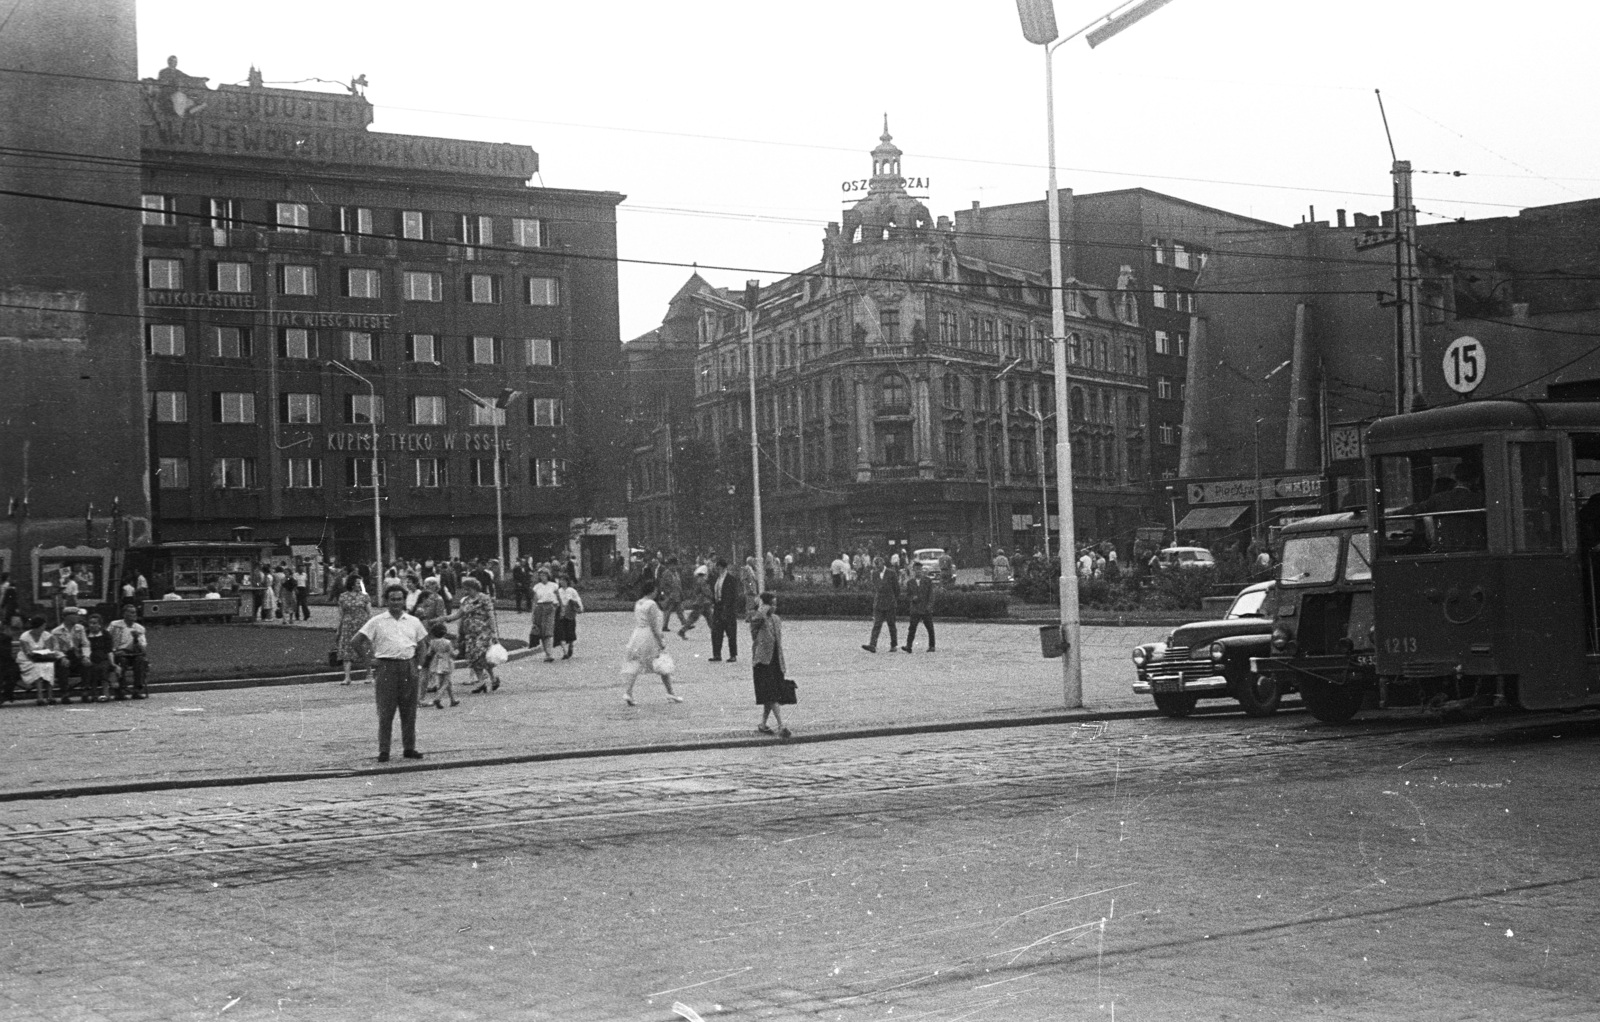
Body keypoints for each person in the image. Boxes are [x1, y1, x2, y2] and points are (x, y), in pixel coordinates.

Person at [353, 585, 428, 763]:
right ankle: (384, 750)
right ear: (387, 601)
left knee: (409, 711)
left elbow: (423, 644)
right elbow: (356, 641)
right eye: (392, 599)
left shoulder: (413, 621)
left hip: (408, 666)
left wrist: (418, 665)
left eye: (399, 599)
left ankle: (409, 748)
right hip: (386, 668)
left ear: (404, 601)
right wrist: (368, 661)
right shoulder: (377, 621)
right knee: (386, 711)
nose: (396, 602)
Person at [620, 593, 682, 706]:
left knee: (636, 662)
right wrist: (660, 640)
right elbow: (654, 625)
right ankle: (670, 692)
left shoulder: (639, 602)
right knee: (661, 661)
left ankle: (628, 692)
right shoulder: (652, 604)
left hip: (638, 634)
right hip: (649, 635)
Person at [747, 591, 792, 739]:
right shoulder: (759, 618)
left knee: (770, 695)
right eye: (771, 604)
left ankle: (763, 724)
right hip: (762, 660)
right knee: (771, 693)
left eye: (775, 604)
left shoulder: (776, 619)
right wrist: (761, 612)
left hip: (775, 660)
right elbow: (752, 627)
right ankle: (781, 725)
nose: (774, 607)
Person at [449, 577, 501, 694]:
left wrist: (493, 632)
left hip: (483, 633)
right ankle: (481, 682)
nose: (466, 591)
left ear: (474, 588)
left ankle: (493, 678)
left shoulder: (484, 598)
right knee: (473, 657)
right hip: (470, 634)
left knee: (482, 657)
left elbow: (491, 615)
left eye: (468, 589)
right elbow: (459, 614)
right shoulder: (466, 600)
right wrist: (446, 619)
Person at [332, 575, 373, 685]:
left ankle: (369, 674)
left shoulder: (365, 597)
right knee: (346, 650)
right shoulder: (343, 597)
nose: (359, 585)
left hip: (362, 626)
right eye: (357, 583)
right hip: (347, 626)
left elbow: (369, 612)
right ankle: (347, 677)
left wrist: (370, 627)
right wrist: (338, 629)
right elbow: (341, 614)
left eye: (360, 583)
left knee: (364, 650)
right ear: (351, 584)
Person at [16, 616, 62, 705]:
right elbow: (27, 652)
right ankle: (40, 697)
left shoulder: (46, 635)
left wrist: (43, 653)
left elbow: (49, 648)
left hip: (43, 658)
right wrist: (38, 653)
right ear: (38, 626)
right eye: (43, 626)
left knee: (49, 666)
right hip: (28, 660)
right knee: (37, 667)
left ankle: (50, 696)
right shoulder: (24, 636)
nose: (44, 628)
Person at [107, 603, 148, 699]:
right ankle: (121, 689)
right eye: (131, 613)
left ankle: (137, 689)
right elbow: (107, 639)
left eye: (135, 613)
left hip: (133, 653)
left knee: (140, 660)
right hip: (118, 652)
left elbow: (143, 648)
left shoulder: (139, 628)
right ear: (124, 614)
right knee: (122, 661)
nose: (134, 615)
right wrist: (113, 651)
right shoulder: (115, 625)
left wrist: (137, 639)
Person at [49, 607, 90, 702]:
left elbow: (85, 644)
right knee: (62, 666)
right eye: (75, 615)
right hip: (65, 655)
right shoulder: (56, 632)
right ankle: (65, 693)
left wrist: (86, 656)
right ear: (67, 617)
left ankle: (85, 691)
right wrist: (62, 657)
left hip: (77, 655)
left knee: (86, 665)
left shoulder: (80, 628)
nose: (78, 617)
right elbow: (55, 649)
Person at [862, 556, 900, 653]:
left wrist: (893, 599)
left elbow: (897, 588)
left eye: (879, 564)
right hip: (879, 603)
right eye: (876, 565)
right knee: (877, 624)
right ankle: (872, 645)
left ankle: (894, 645)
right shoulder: (874, 574)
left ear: (883, 563)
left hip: (890, 603)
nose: (877, 566)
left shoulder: (891, 573)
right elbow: (875, 587)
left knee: (891, 624)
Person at [708, 557, 740, 663]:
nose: (716, 570)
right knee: (716, 631)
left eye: (718, 568)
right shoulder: (717, 579)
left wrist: (727, 608)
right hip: (718, 606)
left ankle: (733, 654)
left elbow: (732, 595)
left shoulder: (730, 579)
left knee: (731, 632)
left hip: (728, 607)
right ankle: (716, 654)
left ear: (721, 567)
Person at [902, 561, 937, 653]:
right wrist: (912, 598)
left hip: (925, 608)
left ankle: (932, 646)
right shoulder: (910, 582)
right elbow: (908, 595)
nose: (918, 571)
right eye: (916, 569)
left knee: (930, 627)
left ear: (922, 570)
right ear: (913, 570)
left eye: (920, 569)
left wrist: (929, 606)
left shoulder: (927, 581)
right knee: (912, 628)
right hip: (915, 609)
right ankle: (908, 646)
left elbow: (931, 595)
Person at [528, 566, 561, 662]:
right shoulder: (537, 587)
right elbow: (534, 601)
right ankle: (547, 653)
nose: (543, 577)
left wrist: (558, 606)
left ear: (548, 576)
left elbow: (558, 597)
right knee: (541, 631)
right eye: (541, 575)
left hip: (550, 608)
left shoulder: (554, 585)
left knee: (549, 631)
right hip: (540, 608)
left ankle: (550, 653)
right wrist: (533, 612)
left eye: (544, 575)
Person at [424, 623, 459, 709]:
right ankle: (438, 698)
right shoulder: (447, 642)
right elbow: (452, 654)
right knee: (446, 682)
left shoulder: (432, 642)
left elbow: (429, 653)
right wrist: (457, 652)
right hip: (446, 662)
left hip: (437, 662)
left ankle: (453, 700)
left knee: (442, 682)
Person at [83, 613, 114, 702]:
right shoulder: (85, 634)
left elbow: (109, 650)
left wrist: (113, 663)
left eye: (94, 623)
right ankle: (94, 694)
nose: (91, 625)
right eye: (90, 623)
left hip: (103, 657)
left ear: (99, 624)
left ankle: (105, 693)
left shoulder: (105, 634)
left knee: (104, 667)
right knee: (92, 668)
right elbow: (84, 647)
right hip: (90, 657)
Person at [654, 556, 689, 634]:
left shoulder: (676, 573)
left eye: (675, 565)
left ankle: (685, 624)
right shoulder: (666, 573)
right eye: (673, 565)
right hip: (670, 595)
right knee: (668, 610)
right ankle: (665, 626)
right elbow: (662, 585)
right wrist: (666, 593)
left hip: (677, 595)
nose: (675, 567)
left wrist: (681, 594)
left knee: (679, 610)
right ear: (670, 565)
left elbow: (679, 584)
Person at [554, 576, 584, 659]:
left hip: (570, 613)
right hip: (560, 613)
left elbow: (577, 600)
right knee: (561, 632)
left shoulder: (572, 591)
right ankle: (565, 652)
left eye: (564, 581)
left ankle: (570, 645)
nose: (562, 582)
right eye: (561, 581)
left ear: (567, 582)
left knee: (570, 631)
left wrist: (580, 608)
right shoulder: (558, 591)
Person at [678, 564, 711, 639]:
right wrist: (710, 595)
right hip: (702, 602)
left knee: (707, 617)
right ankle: (682, 631)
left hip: (699, 602)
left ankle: (716, 632)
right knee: (705, 618)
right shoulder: (702, 581)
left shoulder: (698, 580)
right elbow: (705, 591)